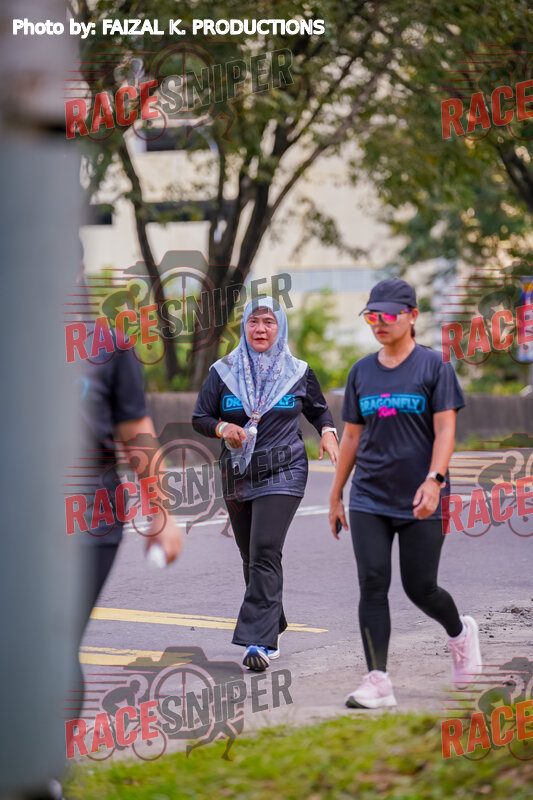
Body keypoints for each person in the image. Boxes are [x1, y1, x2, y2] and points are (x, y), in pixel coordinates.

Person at [328, 278, 482, 709]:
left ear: (412, 316)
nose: (379, 322)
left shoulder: (434, 367)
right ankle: (377, 680)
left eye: (389, 315)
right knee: (372, 583)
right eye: (372, 316)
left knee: (421, 587)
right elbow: (351, 436)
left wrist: (435, 480)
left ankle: (460, 634)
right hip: (369, 496)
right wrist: (336, 494)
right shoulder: (361, 371)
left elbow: (446, 429)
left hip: (421, 496)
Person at [192, 296, 338, 671]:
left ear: (280, 328)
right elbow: (200, 417)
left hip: (285, 470)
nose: (261, 329)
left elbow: (319, 409)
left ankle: (257, 641)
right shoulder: (223, 372)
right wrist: (222, 427)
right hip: (238, 473)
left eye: (269, 322)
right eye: (254, 322)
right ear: (244, 326)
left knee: (264, 549)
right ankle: (274, 618)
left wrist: (327, 432)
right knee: (251, 555)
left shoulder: (297, 372)